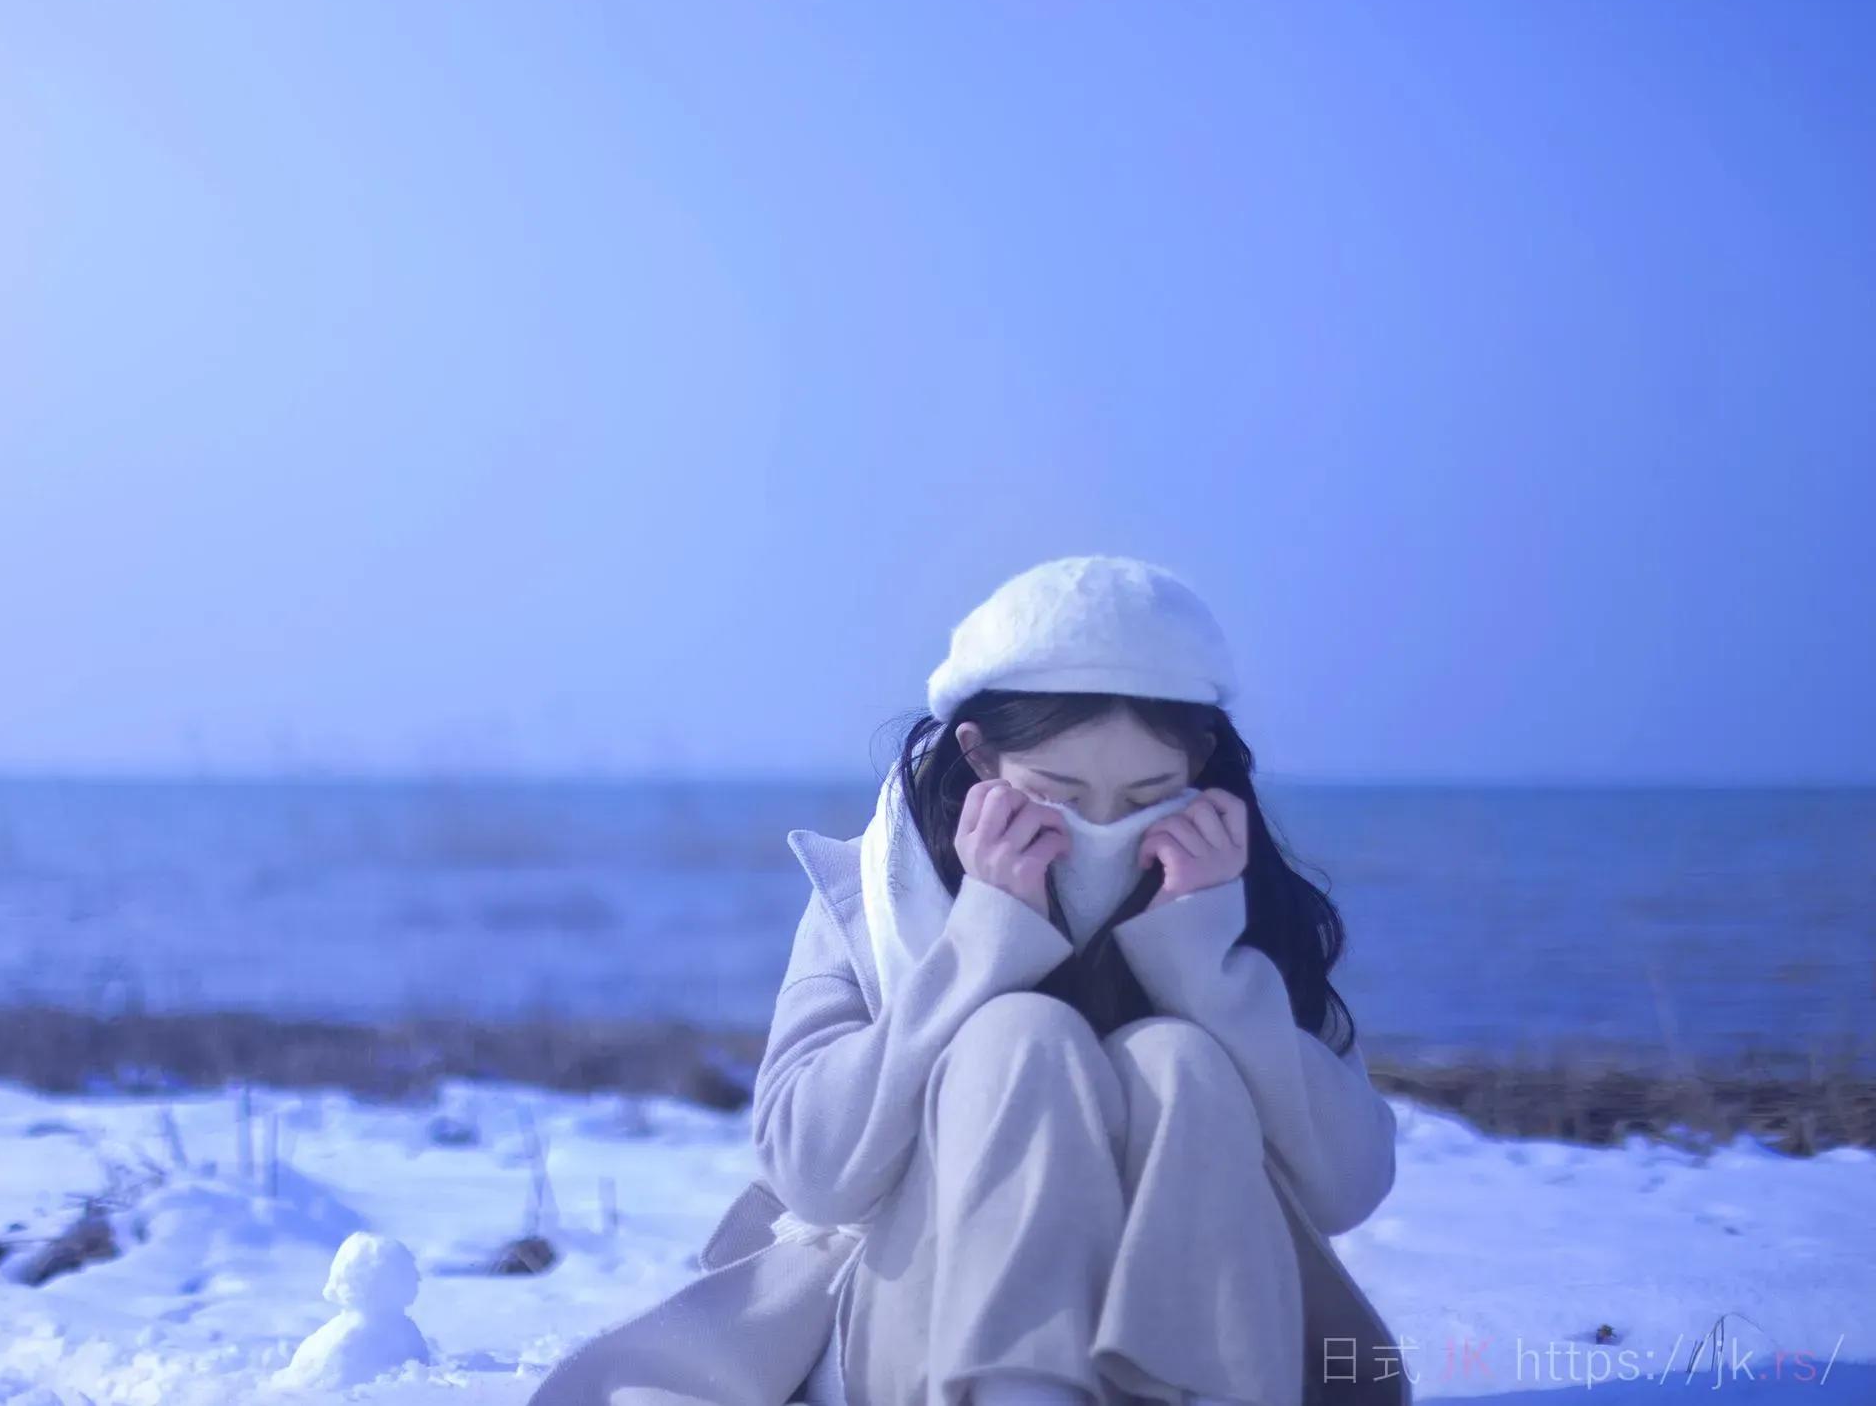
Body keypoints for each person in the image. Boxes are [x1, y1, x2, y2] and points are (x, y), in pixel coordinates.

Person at [528, 554, 1409, 1406]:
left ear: (1201, 766)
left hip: (1212, 1349)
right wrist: (982, 946)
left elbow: (1346, 1187)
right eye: (1058, 791)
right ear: (980, 754)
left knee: (1180, 1056)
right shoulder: (876, 894)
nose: (1103, 827)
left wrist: (1209, 968)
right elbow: (814, 1175)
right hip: (926, 1334)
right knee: (1019, 1036)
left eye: (1148, 796)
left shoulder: (1240, 896)